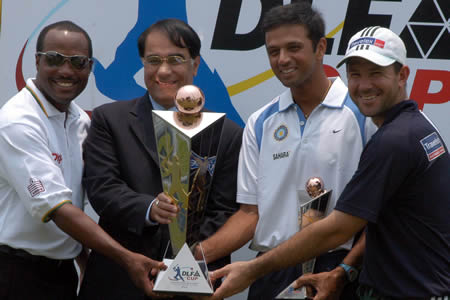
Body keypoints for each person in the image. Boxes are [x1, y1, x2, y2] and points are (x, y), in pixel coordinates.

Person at [209, 26, 450, 300]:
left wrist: (252, 270)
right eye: (355, 74)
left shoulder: (394, 140)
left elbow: (338, 228)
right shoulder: (418, 125)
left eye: (376, 73)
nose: (364, 85)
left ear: (402, 75)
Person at [193, 3, 376, 299]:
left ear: (320, 48)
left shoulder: (363, 116)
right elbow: (250, 214)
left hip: (336, 271)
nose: (282, 59)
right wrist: (192, 255)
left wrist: (346, 270)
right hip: (271, 269)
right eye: (273, 51)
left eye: (294, 47)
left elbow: (379, 213)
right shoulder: (261, 122)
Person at [77, 18, 242, 299]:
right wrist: (149, 207)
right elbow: (102, 188)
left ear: (195, 64)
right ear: (143, 63)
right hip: (118, 280)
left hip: (193, 285)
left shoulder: (227, 134)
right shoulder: (109, 120)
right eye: (153, 60)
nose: (163, 71)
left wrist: (186, 259)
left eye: (176, 59)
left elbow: (225, 210)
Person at [0, 21, 165, 300]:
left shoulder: (80, 121)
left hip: (62, 273)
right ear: (38, 61)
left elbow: (77, 201)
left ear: (89, 67)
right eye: (54, 59)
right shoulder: (17, 122)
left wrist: (83, 255)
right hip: (15, 273)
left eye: (77, 62)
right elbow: (59, 209)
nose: (66, 71)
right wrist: (125, 258)